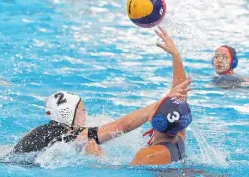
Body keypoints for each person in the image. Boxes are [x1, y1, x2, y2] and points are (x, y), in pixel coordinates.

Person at [12, 27, 192, 159]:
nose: (86, 113)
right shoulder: (74, 137)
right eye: (82, 110)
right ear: (69, 116)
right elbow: (122, 126)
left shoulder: (40, 132)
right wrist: (99, 161)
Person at [85, 26, 193, 165]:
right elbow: (180, 98)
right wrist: (176, 56)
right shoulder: (178, 137)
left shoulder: (149, 155)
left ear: (155, 119)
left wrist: (98, 160)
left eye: (155, 107)